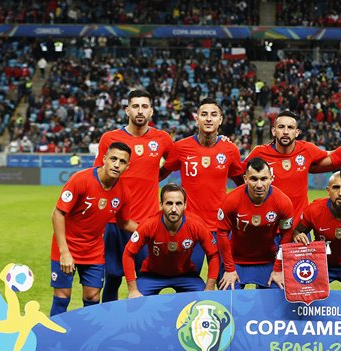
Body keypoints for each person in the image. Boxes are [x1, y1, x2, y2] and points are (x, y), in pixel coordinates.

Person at [94, 89, 174, 302]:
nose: (140, 111)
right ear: (127, 110)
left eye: (145, 106)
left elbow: (175, 160)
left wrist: (157, 176)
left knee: (146, 279)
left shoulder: (162, 138)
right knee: (112, 277)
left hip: (147, 223)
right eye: (136, 106)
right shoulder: (110, 139)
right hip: (114, 222)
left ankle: (143, 328)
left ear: (151, 111)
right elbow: (98, 177)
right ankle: (108, 324)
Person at [50, 142, 137, 316]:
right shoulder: (80, 180)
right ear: (104, 159)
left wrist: (151, 230)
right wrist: (64, 252)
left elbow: (123, 223)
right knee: (62, 296)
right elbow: (57, 214)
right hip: (67, 247)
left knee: (93, 296)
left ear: (127, 166)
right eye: (113, 159)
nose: (116, 164)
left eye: (122, 161)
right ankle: (52, 340)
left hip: (93, 250)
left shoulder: (123, 192)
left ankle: (88, 339)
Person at [159, 98, 243, 273]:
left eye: (214, 115)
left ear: (220, 120)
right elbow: (157, 176)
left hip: (220, 227)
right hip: (189, 226)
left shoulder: (230, 150)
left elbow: (242, 185)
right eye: (204, 114)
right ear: (196, 119)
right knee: (187, 278)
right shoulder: (181, 148)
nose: (208, 119)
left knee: (225, 280)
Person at [123, 184, 220, 297]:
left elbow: (213, 254)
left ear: (185, 205)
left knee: (203, 300)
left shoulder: (196, 224)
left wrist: (210, 288)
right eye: (169, 203)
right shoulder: (149, 225)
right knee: (136, 302)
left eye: (178, 203)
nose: (174, 209)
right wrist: (133, 290)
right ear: (161, 205)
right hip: (152, 275)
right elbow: (128, 253)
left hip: (185, 276)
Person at [217, 157, 294, 290]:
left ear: (271, 178)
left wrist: (278, 268)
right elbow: (222, 232)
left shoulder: (283, 202)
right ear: (245, 179)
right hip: (236, 261)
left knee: (276, 297)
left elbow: (286, 235)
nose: (259, 185)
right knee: (228, 298)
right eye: (254, 179)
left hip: (268, 261)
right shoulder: (231, 200)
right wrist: (229, 269)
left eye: (263, 179)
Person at [244, 110, 329, 226]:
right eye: (281, 127)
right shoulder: (260, 152)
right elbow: (239, 172)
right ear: (274, 131)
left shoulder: (307, 149)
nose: (285, 132)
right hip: (270, 227)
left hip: (299, 230)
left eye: (290, 128)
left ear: (297, 132)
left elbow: (333, 157)